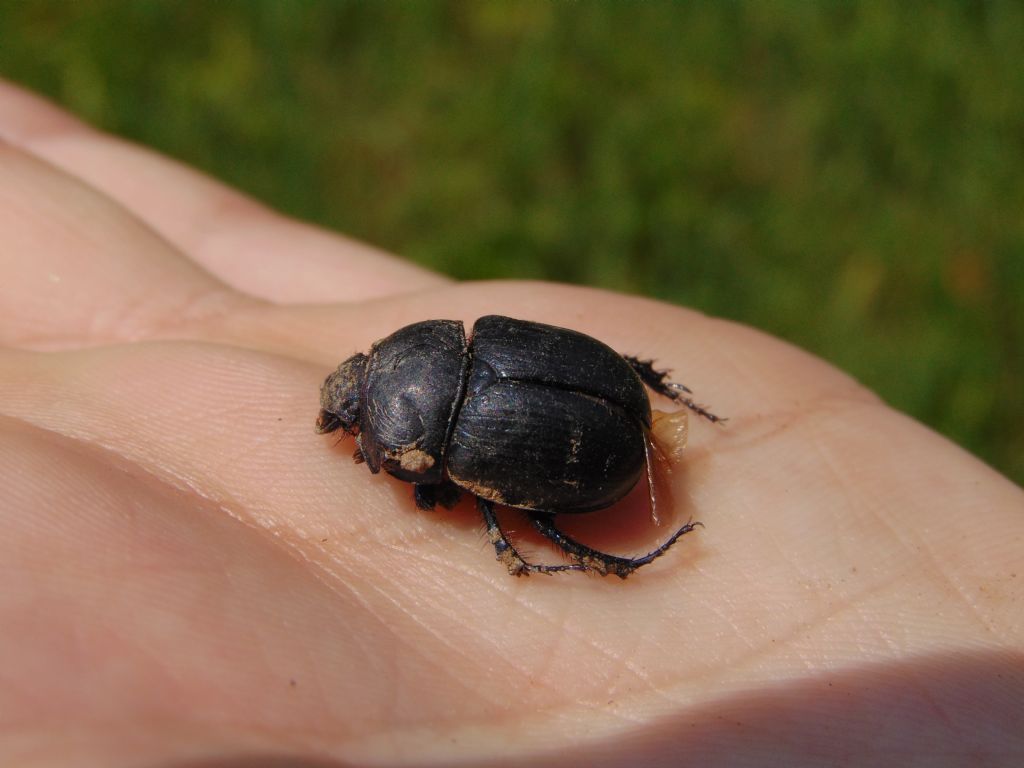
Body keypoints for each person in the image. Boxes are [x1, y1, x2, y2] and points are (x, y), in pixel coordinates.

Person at [1, 79, 1021, 768]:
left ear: (396, 413)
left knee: (508, 525)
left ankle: (612, 554)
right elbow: (563, 387)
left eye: (361, 412)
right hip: (578, 405)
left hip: (591, 449)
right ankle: (630, 511)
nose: (356, 421)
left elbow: (422, 474)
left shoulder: (429, 448)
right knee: (516, 507)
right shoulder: (446, 348)